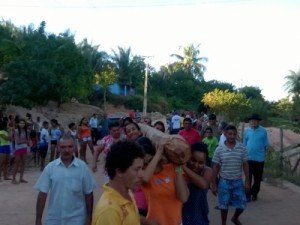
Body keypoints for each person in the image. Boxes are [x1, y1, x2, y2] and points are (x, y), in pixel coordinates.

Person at [34, 134, 96, 225]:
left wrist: (89, 218)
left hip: (77, 220)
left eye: (70, 147)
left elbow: (89, 194)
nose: (67, 150)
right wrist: (38, 220)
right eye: (63, 147)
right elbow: (42, 194)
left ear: (74, 147)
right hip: (54, 219)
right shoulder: (50, 168)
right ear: (58, 148)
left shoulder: (82, 168)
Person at [92, 140, 156, 225]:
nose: (142, 175)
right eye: (137, 169)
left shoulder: (126, 192)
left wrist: (148, 222)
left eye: (142, 168)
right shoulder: (109, 211)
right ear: (119, 172)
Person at [142, 138, 189, 225]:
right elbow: (145, 178)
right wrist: (159, 151)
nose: (149, 165)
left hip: (176, 222)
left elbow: (183, 198)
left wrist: (178, 167)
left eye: (150, 161)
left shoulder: (172, 168)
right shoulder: (146, 178)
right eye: (145, 165)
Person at [211, 125, 249, 225]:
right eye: (230, 134)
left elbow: (245, 164)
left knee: (242, 204)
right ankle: (223, 223)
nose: (232, 136)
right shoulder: (219, 149)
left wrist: (248, 181)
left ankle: (235, 218)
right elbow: (215, 167)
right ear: (225, 134)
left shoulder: (242, 147)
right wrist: (214, 184)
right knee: (223, 205)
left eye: (234, 134)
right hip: (224, 182)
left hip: (238, 181)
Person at [182, 142, 212, 225]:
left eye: (200, 162)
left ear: (205, 162)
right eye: (193, 160)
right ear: (188, 157)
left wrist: (183, 167)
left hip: (199, 215)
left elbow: (203, 184)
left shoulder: (207, 171)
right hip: (181, 214)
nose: (196, 165)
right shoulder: (179, 172)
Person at [243, 113, 269, 202]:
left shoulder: (263, 131)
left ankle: (254, 193)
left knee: (257, 179)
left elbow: (265, 144)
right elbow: (244, 144)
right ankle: (247, 195)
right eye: (251, 121)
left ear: (258, 122)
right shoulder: (247, 131)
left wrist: (265, 153)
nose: (253, 122)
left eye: (255, 121)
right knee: (248, 178)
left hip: (259, 159)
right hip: (248, 158)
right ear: (250, 122)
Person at [12, 118, 30, 184]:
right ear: (18, 124)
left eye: (23, 123)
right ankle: (13, 179)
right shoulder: (16, 131)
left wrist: (26, 142)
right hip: (18, 149)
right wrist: (25, 141)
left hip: (24, 148)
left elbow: (28, 140)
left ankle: (21, 178)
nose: (22, 124)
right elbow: (18, 141)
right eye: (21, 123)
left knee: (23, 163)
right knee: (16, 164)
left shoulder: (26, 131)